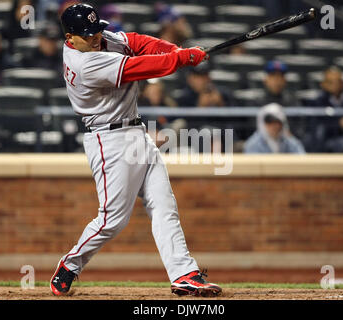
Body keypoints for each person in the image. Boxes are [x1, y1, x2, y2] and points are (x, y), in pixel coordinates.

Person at [50, 3, 221, 297]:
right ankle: (70, 265)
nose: (95, 38)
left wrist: (174, 50)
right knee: (112, 220)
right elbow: (138, 67)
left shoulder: (100, 38)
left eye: (96, 30)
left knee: (164, 206)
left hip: (135, 131)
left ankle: (184, 274)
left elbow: (137, 42)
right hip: (109, 140)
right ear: (70, 37)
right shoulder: (84, 63)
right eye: (87, 34)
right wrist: (180, 59)